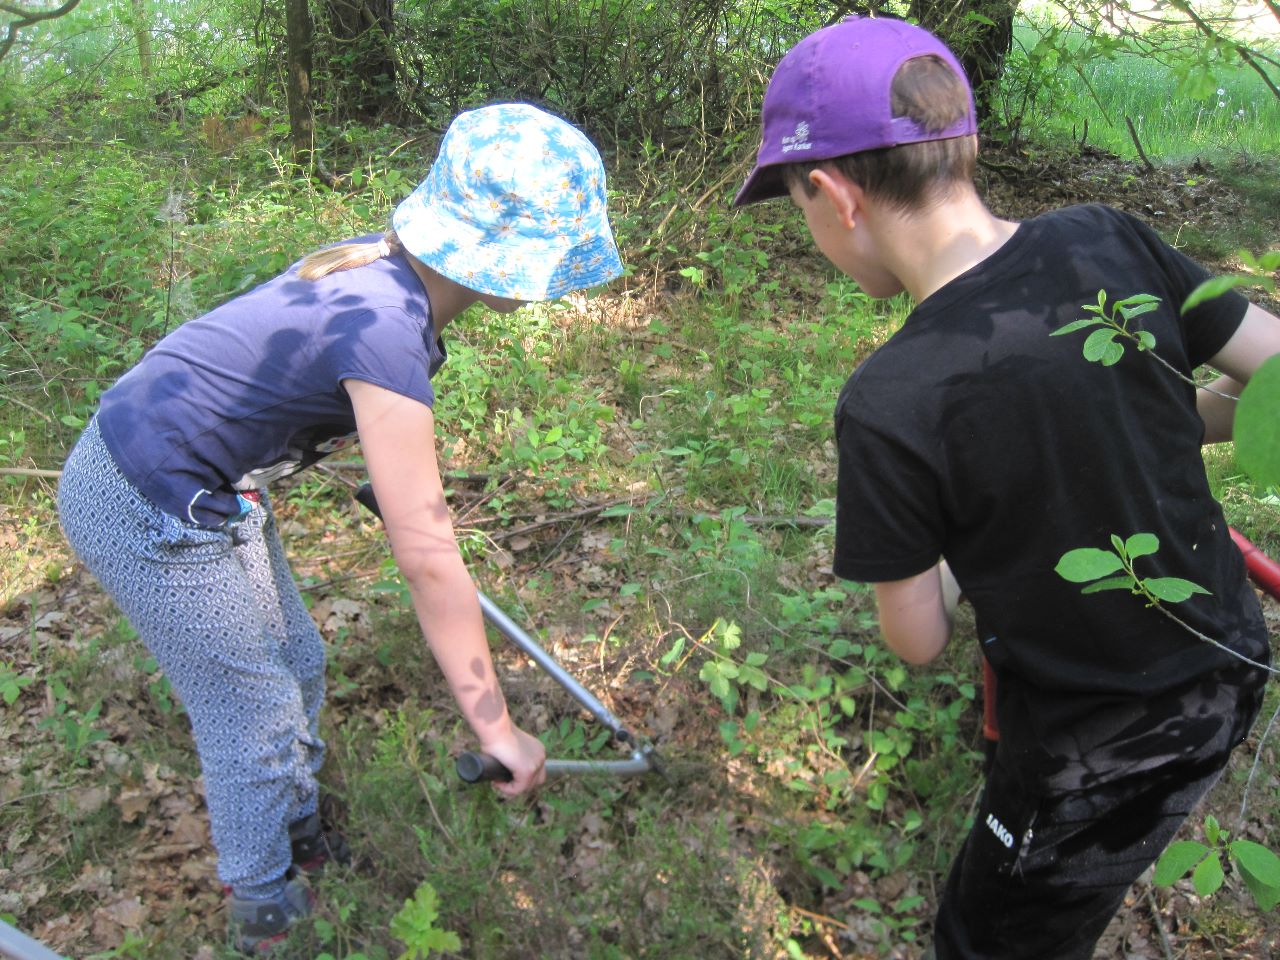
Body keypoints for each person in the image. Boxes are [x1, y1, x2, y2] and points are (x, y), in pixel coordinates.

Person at [734, 16, 1280, 960]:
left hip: (1092, 750)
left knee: (986, 942)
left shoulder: (889, 400)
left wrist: (956, 520)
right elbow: (1269, 372)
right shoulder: (1105, 240)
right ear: (967, 143)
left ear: (834, 194)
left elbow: (915, 637)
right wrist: (1139, 414)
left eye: (795, 202)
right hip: (1231, 666)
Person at [57, 102, 623, 954]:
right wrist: (494, 725)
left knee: (300, 662)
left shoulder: (380, 271)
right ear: (510, 262)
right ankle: (263, 905)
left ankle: (298, 825)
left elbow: (281, 377)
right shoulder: (386, 335)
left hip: (207, 478)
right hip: (141, 494)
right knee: (249, 709)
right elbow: (431, 562)